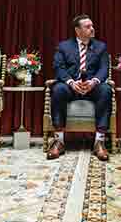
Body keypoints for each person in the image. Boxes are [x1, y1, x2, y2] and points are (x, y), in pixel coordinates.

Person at [46, 14, 112, 161]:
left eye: (92, 26)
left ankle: (99, 142)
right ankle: (59, 141)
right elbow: (58, 68)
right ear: (77, 30)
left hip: (92, 88)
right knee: (58, 89)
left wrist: (93, 82)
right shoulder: (64, 46)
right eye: (87, 27)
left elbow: (104, 68)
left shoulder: (101, 47)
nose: (92, 29)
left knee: (106, 90)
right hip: (71, 87)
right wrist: (71, 83)